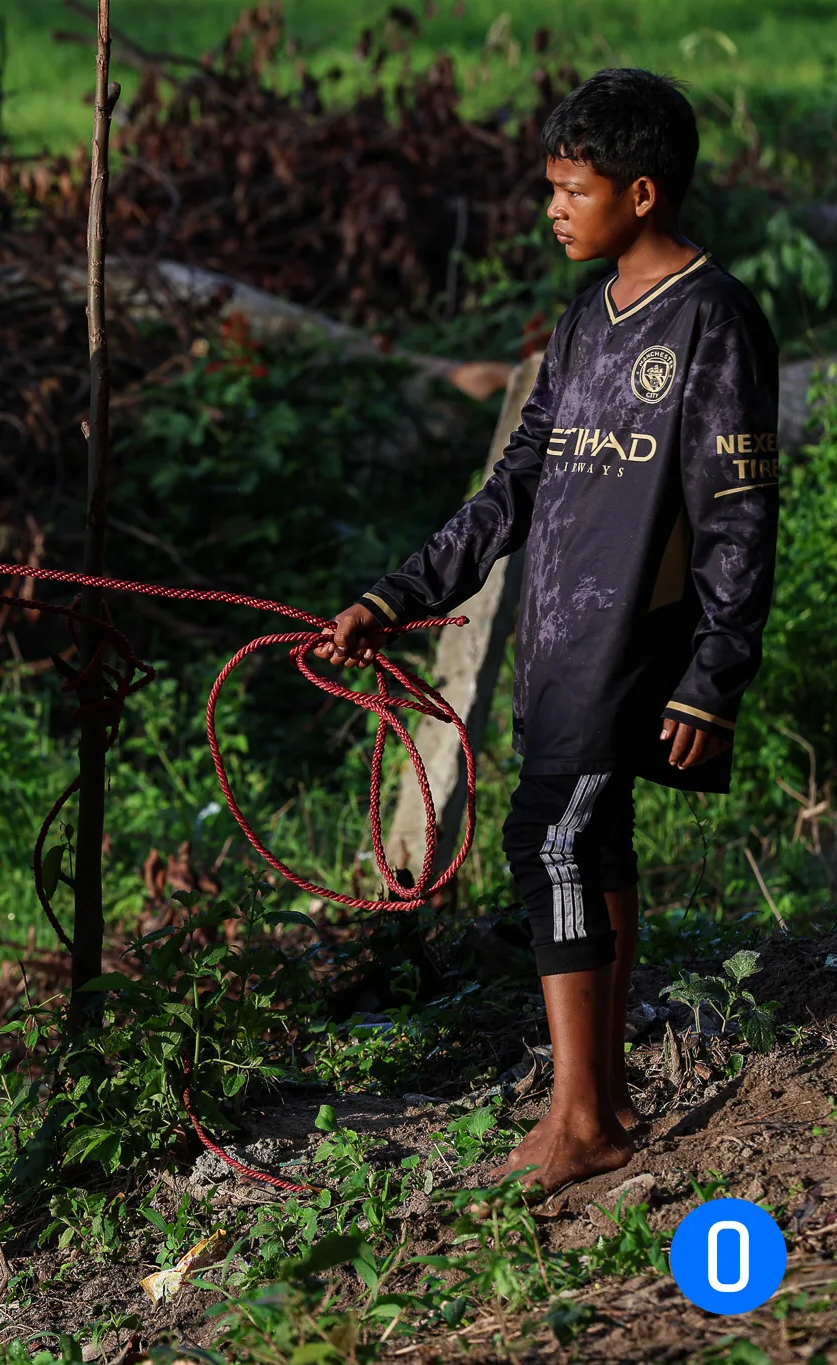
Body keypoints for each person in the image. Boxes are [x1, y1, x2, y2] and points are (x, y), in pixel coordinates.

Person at [316, 68, 780, 1195]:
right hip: (555, 644)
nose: (550, 208)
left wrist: (712, 675)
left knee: (547, 839)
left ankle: (581, 1121)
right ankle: (603, 1092)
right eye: (547, 188)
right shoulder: (582, 322)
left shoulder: (712, 321)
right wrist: (398, 594)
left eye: (569, 189)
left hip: (638, 645)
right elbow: (516, 483)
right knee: (591, 841)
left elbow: (737, 518)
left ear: (638, 190)